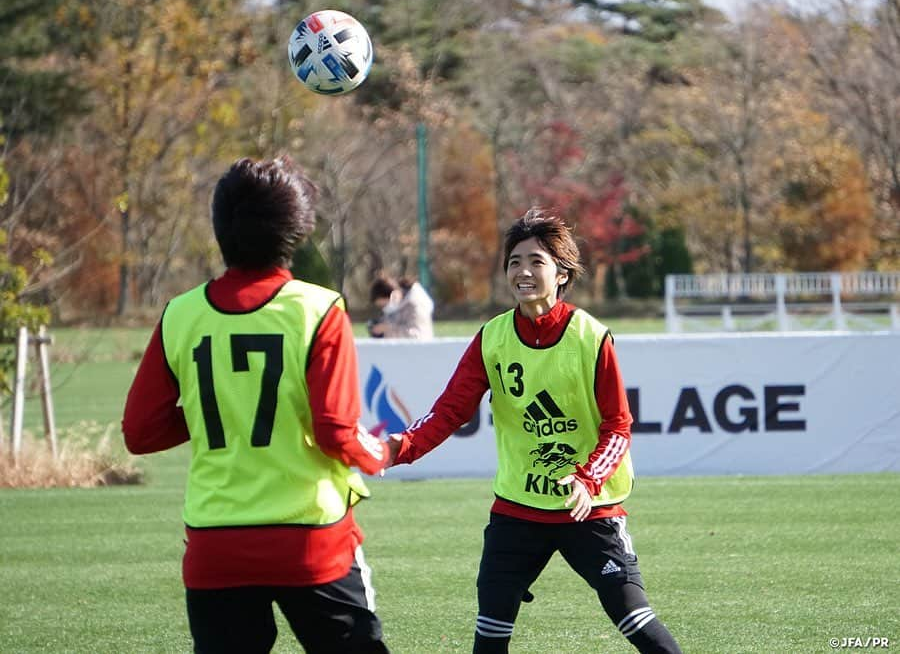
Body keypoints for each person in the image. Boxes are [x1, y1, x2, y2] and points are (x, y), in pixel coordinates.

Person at [122, 156, 392, 654]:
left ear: (219, 226)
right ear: (298, 231)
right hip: (311, 540)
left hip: (215, 545)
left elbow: (140, 433)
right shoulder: (320, 309)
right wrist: (381, 453)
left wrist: (223, 403)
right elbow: (336, 432)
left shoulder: (180, 313)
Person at [386, 208, 681, 653]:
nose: (523, 272)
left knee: (635, 618)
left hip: (590, 508)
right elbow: (449, 411)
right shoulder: (492, 337)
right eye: (514, 262)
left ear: (562, 274)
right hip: (518, 511)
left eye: (536, 262)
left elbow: (618, 427)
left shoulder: (590, 336)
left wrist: (587, 479)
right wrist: (398, 448)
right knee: (490, 637)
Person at [367, 274, 434, 340]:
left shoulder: (417, 304)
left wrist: (387, 329)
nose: (385, 308)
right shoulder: (398, 303)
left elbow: (418, 335)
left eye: (385, 305)